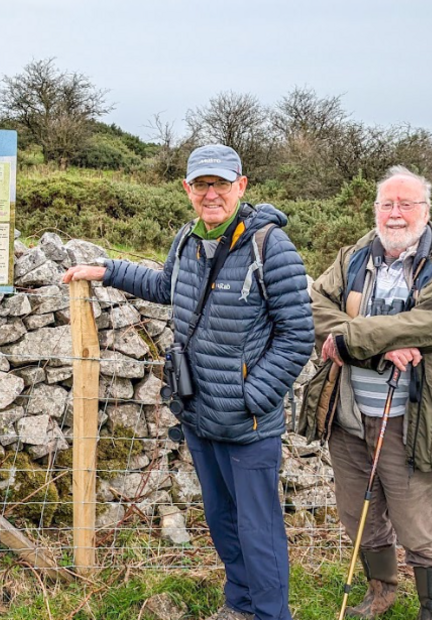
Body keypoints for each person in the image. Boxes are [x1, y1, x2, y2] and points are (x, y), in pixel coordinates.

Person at [64, 144, 314, 620]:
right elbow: (166, 287)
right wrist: (107, 271)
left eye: (220, 184)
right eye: (202, 185)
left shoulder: (270, 247)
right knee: (222, 523)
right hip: (199, 414)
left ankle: (270, 614)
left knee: (258, 530)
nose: (211, 194)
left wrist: (253, 397)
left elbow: (298, 334)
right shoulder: (187, 240)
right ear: (187, 190)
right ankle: (239, 605)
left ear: (241, 186)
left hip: (248, 424)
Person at [301, 166, 432, 620]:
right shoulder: (356, 254)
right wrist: (380, 347)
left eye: (406, 204)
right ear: (376, 209)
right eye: (387, 204)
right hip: (350, 413)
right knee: (359, 515)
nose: (395, 214)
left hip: (413, 419)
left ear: (425, 210)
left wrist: (353, 338)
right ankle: (381, 594)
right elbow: (317, 304)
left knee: (419, 525)